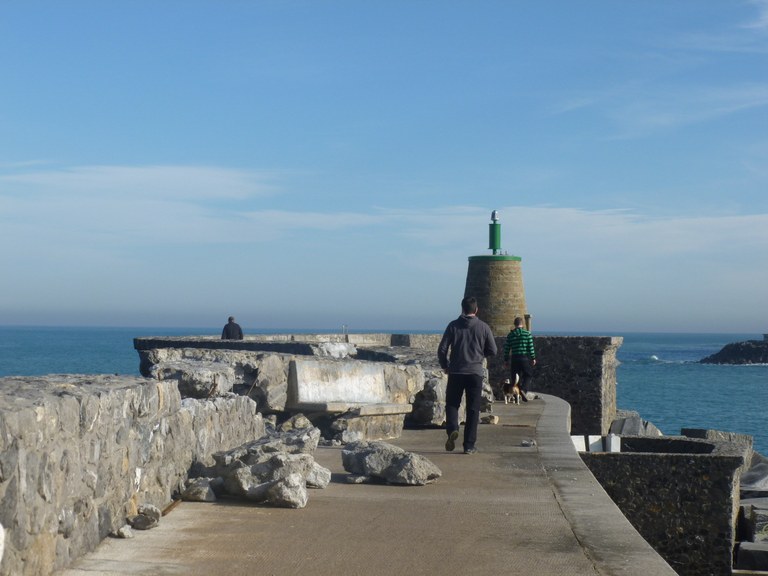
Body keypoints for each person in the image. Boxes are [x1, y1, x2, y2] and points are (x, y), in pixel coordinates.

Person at [437, 296, 498, 454]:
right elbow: (493, 350)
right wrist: (480, 355)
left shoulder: (453, 326)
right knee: (473, 409)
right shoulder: (483, 327)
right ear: (476, 310)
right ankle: (469, 446)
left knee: (452, 404)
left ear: (462, 309)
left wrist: (445, 365)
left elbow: (442, 350)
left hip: (456, 371)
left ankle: (452, 429)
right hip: (475, 373)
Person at [503, 317, 536, 402]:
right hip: (524, 358)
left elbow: (507, 348)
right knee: (528, 375)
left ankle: (515, 397)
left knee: (514, 378)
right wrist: (533, 358)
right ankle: (523, 390)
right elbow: (530, 347)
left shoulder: (510, 335)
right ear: (522, 324)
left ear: (514, 324)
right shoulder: (527, 334)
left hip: (514, 358)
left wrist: (506, 360)